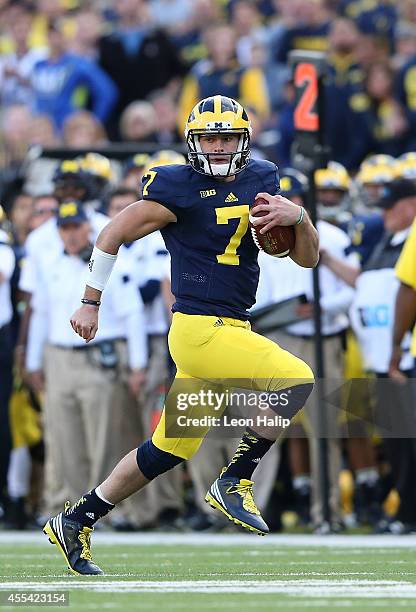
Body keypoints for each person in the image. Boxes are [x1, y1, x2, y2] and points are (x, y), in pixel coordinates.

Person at [44, 95, 318, 575]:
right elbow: (111, 234)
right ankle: (235, 478)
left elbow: (306, 258)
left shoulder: (263, 178)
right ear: (192, 142)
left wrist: (299, 218)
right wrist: (90, 301)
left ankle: (78, 516)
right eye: (208, 138)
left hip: (231, 325)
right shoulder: (176, 186)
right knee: (295, 377)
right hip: (198, 330)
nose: (216, 147)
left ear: (243, 140)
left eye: (226, 137)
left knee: (169, 447)